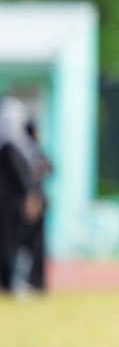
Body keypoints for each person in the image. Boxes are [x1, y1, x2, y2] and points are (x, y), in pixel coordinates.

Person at [0, 97, 46, 294]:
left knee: (30, 245)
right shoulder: (9, 146)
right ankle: (9, 282)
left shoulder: (26, 146)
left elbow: (46, 165)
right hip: (11, 205)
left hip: (23, 205)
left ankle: (31, 282)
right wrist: (30, 194)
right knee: (8, 243)